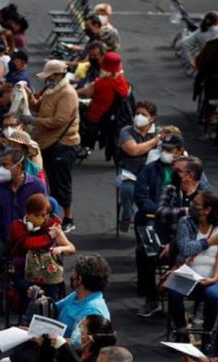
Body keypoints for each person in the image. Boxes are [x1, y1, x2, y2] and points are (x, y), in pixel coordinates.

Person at [0, 148, 47, 313]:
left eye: (6, 165)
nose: (2, 169)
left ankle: (34, 300)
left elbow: (45, 215)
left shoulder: (37, 186)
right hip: (2, 236)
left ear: (19, 167)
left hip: (29, 237)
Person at [134, 133, 191, 317]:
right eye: (163, 149)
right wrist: (156, 212)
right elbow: (141, 196)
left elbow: (196, 209)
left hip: (184, 230)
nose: (165, 153)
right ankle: (152, 299)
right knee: (146, 250)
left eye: (170, 150)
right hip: (157, 220)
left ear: (180, 151)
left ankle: (184, 303)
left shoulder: (194, 174)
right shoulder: (151, 169)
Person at [24, 59, 80, 233]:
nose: (46, 79)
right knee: (48, 181)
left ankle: (68, 218)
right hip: (47, 141)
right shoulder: (50, 89)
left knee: (62, 182)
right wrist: (28, 94)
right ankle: (51, 215)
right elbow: (37, 106)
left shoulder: (68, 93)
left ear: (58, 75)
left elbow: (59, 121)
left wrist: (33, 121)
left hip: (63, 143)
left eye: (49, 76)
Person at [168, 190, 218, 347]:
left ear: (207, 210)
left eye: (196, 204)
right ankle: (181, 330)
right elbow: (185, 249)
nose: (191, 207)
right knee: (174, 292)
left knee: (213, 296)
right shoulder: (186, 222)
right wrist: (209, 242)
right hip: (188, 272)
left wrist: (214, 278)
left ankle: (207, 333)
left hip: (212, 275)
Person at [9, 193, 74, 307]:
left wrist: (61, 248)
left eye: (44, 215)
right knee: (30, 293)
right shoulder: (17, 226)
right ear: (28, 214)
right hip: (23, 271)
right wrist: (49, 236)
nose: (42, 218)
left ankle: (51, 315)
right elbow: (27, 244)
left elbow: (71, 248)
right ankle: (28, 319)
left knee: (52, 294)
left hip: (48, 274)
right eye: (37, 215)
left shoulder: (52, 225)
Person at [116, 101, 162, 232]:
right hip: (130, 172)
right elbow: (133, 150)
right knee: (127, 189)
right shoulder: (126, 131)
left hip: (151, 175)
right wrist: (155, 141)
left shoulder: (159, 131)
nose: (139, 117)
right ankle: (127, 213)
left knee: (157, 192)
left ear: (152, 118)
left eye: (143, 114)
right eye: (137, 113)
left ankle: (148, 219)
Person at [79, 52, 130, 161]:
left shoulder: (101, 83)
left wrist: (72, 91)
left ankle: (83, 145)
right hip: (113, 115)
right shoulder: (121, 81)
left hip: (97, 115)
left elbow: (87, 92)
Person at [0, 130, 45, 197]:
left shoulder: (35, 169)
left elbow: (42, 194)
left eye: (14, 146)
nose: (10, 148)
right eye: (9, 144)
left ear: (24, 150)